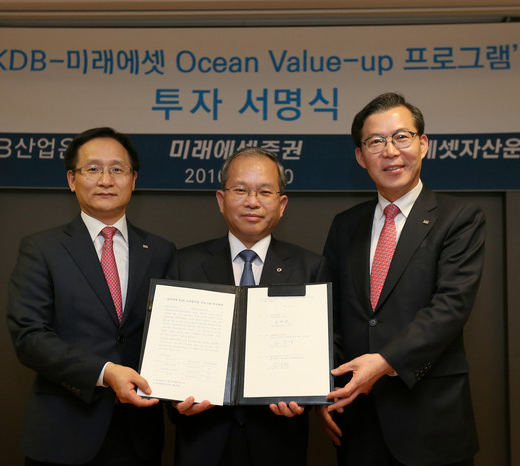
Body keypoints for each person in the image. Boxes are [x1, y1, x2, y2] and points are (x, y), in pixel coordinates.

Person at [320, 93, 484, 466]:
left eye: (401, 137)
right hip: (356, 418)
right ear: (361, 156)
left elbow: (450, 307)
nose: (390, 151)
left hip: (431, 421)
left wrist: (383, 362)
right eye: (376, 142)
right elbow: (328, 316)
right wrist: (321, 391)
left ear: (423, 144)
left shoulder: (459, 218)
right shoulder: (345, 225)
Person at [7, 127, 176, 466]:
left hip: (138, 434)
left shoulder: (161, 251)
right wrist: (105, 371)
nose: (106, 180)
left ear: (133, 179)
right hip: (63, 431)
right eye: (93, 168)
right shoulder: (42, 248)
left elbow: (172, 335)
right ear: (72, 179)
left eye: (117, 169)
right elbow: (29, 337)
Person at [172, 147, 329, 466]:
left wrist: (306, 397)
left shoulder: (310, 268)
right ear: (221, 199)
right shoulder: (183, 264)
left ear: (282, 204)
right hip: (202, 438)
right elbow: (168, 349)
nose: (252, 201)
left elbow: (324, 350)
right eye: (240, 190)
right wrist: (173, 397)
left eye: (265, 191)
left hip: (278, 440)